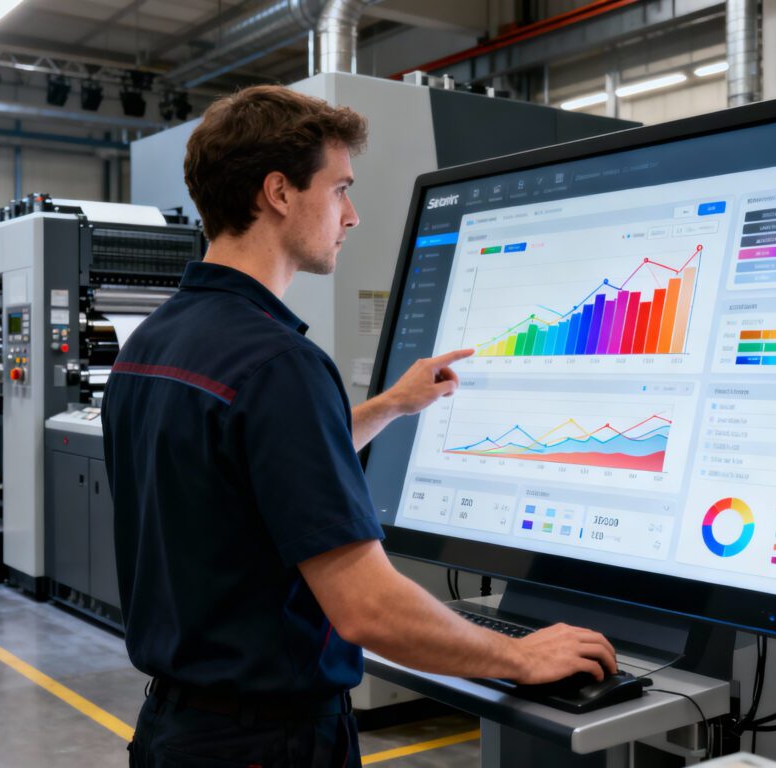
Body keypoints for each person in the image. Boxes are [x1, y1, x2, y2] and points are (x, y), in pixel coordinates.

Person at [102, 85, 616, 768]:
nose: (353, 214)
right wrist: (519, 656)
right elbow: (367, 609)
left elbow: (253, 471)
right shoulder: (280, 364)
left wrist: (394, 405)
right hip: (269, 744)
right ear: (279, 193)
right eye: (339, 189)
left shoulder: (152, 345)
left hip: (176, 730)